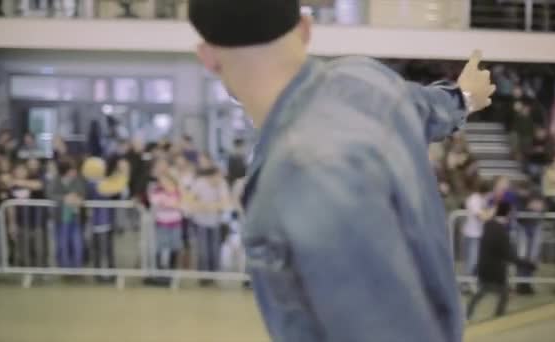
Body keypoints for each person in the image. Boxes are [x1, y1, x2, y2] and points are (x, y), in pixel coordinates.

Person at [188, 1, 495, 340]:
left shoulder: (299, 178)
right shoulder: (364, 78)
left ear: (208, 58)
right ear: (305, 29)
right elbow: (424, 106)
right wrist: (464, 95)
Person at [467, 202, 535, 320]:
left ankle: (469, 312)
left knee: (485, 290)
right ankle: (497, 318)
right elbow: (509, 255)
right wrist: (528, 264)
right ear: (508, 215)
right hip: (495, 272)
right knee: (502, 292)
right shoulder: (500, 232)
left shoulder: (488, 225)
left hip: (484, 268)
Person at [190, 154, 230, 284]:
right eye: (217, 175)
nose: (219, 178)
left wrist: (208, 206)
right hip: (200, 221)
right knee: (203, 248)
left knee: (215, 248)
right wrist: (207, 206)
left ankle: (214, 274)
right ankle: (204, 276)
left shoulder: (222, 184)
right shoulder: (200, 183)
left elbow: (224, 202)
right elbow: (191, 200)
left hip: (216, 221)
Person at [148, 159, 184, 275]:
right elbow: (155, 201)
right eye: (162, 180)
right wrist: (170, 202)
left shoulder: (178, 191)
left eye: (167, 180)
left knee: (174, 245)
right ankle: (160, 271)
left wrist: (171, 202)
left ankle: (172, 270)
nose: (165, 183)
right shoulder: (157, 191)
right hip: (161, 222)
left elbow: (180, 203)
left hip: (175, 222)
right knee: (161, 245)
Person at [46, 160, 86, 268]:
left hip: (75, 215)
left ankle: (77, 266)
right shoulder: (56, 180)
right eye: (72, 170)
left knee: (77, 241)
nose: (74, 172)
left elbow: (83, 193)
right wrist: (64, 198)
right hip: (60, 217)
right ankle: (63, 266)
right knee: (61, 242)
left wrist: (78, 198)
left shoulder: (78, 180)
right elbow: (50, 194)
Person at [462, 181, 493, 277]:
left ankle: (473, 281)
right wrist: (493, 212)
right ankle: (466, 283)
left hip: (481, 234)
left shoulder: (484, 199)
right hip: (472, 234)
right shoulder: (473, 200)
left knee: (478, 260)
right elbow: (483, 217)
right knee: (472, 260)